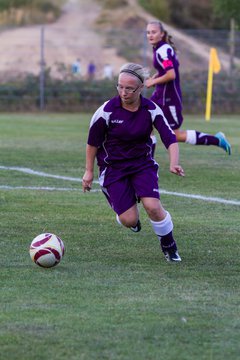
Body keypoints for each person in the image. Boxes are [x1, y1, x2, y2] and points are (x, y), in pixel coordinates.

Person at [82, 62, 185, 262]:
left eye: (129, 88)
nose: (124, 92)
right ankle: (128, 215)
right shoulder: (106, 111)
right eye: (120, 86)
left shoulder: (151, 109)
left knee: (153, 207)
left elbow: (169, 137)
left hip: (142, 165)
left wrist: (174, 162)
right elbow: (92, 143)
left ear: (141, 88)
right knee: (129, 220)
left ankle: (169, 247)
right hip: (113, 169)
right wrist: (88, 172)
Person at [145, 21, 231, 156]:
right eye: (148, 32)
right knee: (145, 121)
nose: (150, 35)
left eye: (153, 32)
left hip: (169, 99)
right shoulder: (161, 48)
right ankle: (147, 163)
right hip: (159, 95)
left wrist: (153, 81)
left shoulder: (162, 51)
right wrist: (157, 76)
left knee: (175, 135)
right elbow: (168, 70)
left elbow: (171, 74)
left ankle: (217, 140)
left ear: (161, 34)